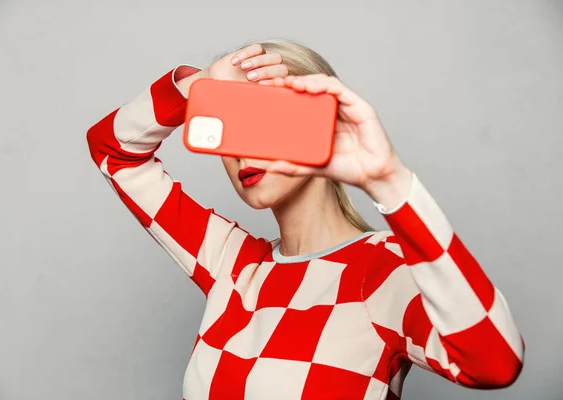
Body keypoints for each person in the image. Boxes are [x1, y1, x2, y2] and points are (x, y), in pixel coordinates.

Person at [86, 39, 524, 399]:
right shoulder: (232, 265)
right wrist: (194, 88)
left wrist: (389, 182)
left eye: (258, 118)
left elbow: (495, 363)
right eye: (225, 124)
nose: (239, 150)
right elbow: (112, 149)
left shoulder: (382, 270)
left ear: (317, 121)